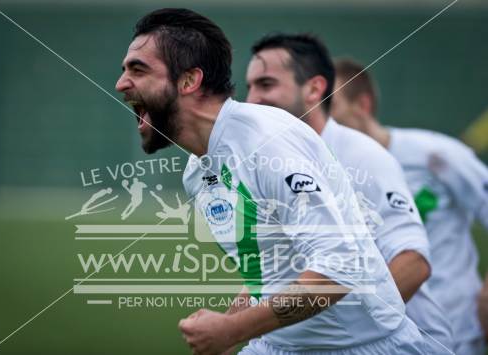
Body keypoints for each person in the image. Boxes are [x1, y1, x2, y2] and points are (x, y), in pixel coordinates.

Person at [116, 8, 428, 354]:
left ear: (189, 81)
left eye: (138, 69)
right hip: (278, 346)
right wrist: (228, 322)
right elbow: (271, 268)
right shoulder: (197, 170)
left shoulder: (269, 143)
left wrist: (232, 329)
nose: (121, 83)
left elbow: (339, 269)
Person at [245, 32, 453, 354]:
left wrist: (349, 331)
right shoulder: (270, 163)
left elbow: (413, 261)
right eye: (250, 87)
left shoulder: (363, 157)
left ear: (314, 89)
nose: (252, 100)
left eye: (266, 85)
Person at [331, 57, 488, 355]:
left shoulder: (435, 155)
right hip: (375, 336)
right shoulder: (326, 173)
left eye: (332, 107)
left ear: (362, 105)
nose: (324, 120)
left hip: (454, 329)